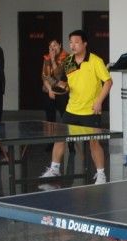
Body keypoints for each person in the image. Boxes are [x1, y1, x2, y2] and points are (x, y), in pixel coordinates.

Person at [39, 30, 112, 185]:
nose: (73, 45)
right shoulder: (69, 61)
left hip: (90, 110)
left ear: (85, 44)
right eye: (71, 42)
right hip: (72, 109)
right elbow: (64, 81)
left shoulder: (95, 61)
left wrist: (99, 101)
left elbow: (108, 82)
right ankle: (54, 169)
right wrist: (61, 86)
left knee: (94, 142)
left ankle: (101, 175)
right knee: (60, 138)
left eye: (76, 42)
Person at [40, 38, 70, 123]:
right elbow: (44, 76)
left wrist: (53, 60)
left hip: (62, 92)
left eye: (55, 45)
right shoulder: (47, 58)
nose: (53, 48)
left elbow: (58, 75)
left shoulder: (67, 57)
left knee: (65, 117)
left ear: (60, 45)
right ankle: (50, 131)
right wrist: (50, 89)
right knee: (50, 118)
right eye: (50, 46)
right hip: (49, 91)